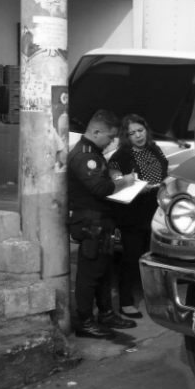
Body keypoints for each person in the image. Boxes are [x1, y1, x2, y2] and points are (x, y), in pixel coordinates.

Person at [67, 109, 139, 339]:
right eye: (109, 137)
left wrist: (113, 176)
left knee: (104, 271)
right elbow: (99, 188)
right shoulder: (85, 155)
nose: (111, 142)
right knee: (89, 274)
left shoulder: (94, 153)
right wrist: (126, 182)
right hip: (90, 222)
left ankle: (106, 313)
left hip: (100, 221)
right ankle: (85, 321)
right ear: (96, 131)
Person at [109, 114, 169, 319]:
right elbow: (114, 183)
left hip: (156, 210)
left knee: (156, 257)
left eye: (140, 130)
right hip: (133, 212)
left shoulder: (154, 149)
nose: (138, 136)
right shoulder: (121, 157)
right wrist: (134, 186)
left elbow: (163, 170)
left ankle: (157, 297)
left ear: (146, 129)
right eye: (132, 133)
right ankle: (125, 301)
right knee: (131, 257)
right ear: (126, 136)